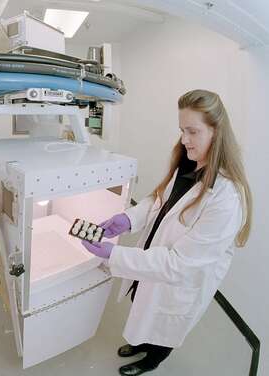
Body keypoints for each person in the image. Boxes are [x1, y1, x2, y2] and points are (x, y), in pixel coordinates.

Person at [82, 89, 252, 376]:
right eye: (182, 130)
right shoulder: (190, 164)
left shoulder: (226, 198)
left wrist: (115, 254)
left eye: (192, 131)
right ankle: (142, 343)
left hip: (178, 281)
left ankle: (152, 361)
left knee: (163, 325)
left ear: (216, 132)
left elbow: (179, 265)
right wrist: (127, 218)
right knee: (143, 305)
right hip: (153, 261)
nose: (184, 140)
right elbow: (159, 201)